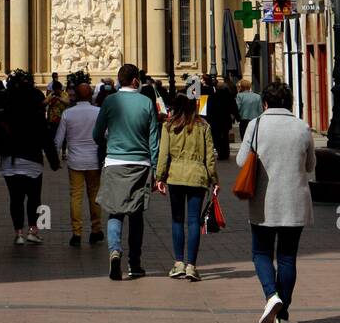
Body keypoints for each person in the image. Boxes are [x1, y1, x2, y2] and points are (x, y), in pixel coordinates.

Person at [236, 80, 315, 323]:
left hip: (263, 203)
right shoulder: (302, 127)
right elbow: (311, 165)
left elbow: (240, 161)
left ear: (265, 103)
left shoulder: (256, 125)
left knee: (261, 253)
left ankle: (272, 295)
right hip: (294, 202)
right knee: (287, 257)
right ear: (289, 102)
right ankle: (283, 317)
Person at [93, 62, 160, 281]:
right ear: (135, 81)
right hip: (140, 164)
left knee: (115, 211)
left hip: (114, 162)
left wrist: (109, 143)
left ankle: (114, 250)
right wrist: (157, 168)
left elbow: (96, 134)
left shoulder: (110, 101)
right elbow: (154, 140)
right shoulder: (146, 102)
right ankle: (134, 263)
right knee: (136, 214)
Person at [155, 93, 218, 280]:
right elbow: (210, 156)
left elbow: (163, 154)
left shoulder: (168, 126)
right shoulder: (204, 126)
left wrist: (160, 177)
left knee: (177, 220)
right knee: (193, 221)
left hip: (175, 176)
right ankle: (191, 265)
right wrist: (214, 179)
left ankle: (178, 263)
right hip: (197, 177)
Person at [0, 71, 60, 244]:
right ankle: (33, 230)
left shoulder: (7, 114)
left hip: (10, 161)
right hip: (32, 161)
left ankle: (18, 233)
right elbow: (46, 140)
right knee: (34, 198)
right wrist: (54, 162)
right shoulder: (36, 116)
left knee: (16, 199)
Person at [55, 83, 103, 247]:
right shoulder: (98, 112)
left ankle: (76, 233)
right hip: (94, 161)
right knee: (94, 195)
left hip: (75, 161)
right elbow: (107, 135)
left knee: (75, 196)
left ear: (75, 95)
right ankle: (96, 230)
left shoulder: (68, 113)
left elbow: (58, 140)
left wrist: (55, 160)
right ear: (91, 95)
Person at [206, 77, 238, 159]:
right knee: (225, 136)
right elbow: (233, 108)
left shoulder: (212, 96)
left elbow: (209, 109)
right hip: (225, 120)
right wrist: (237, 117)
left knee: (216, 137)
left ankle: (220, 153)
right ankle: (226, 153)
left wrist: (208, 120)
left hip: (215, 120)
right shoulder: (229, 96)